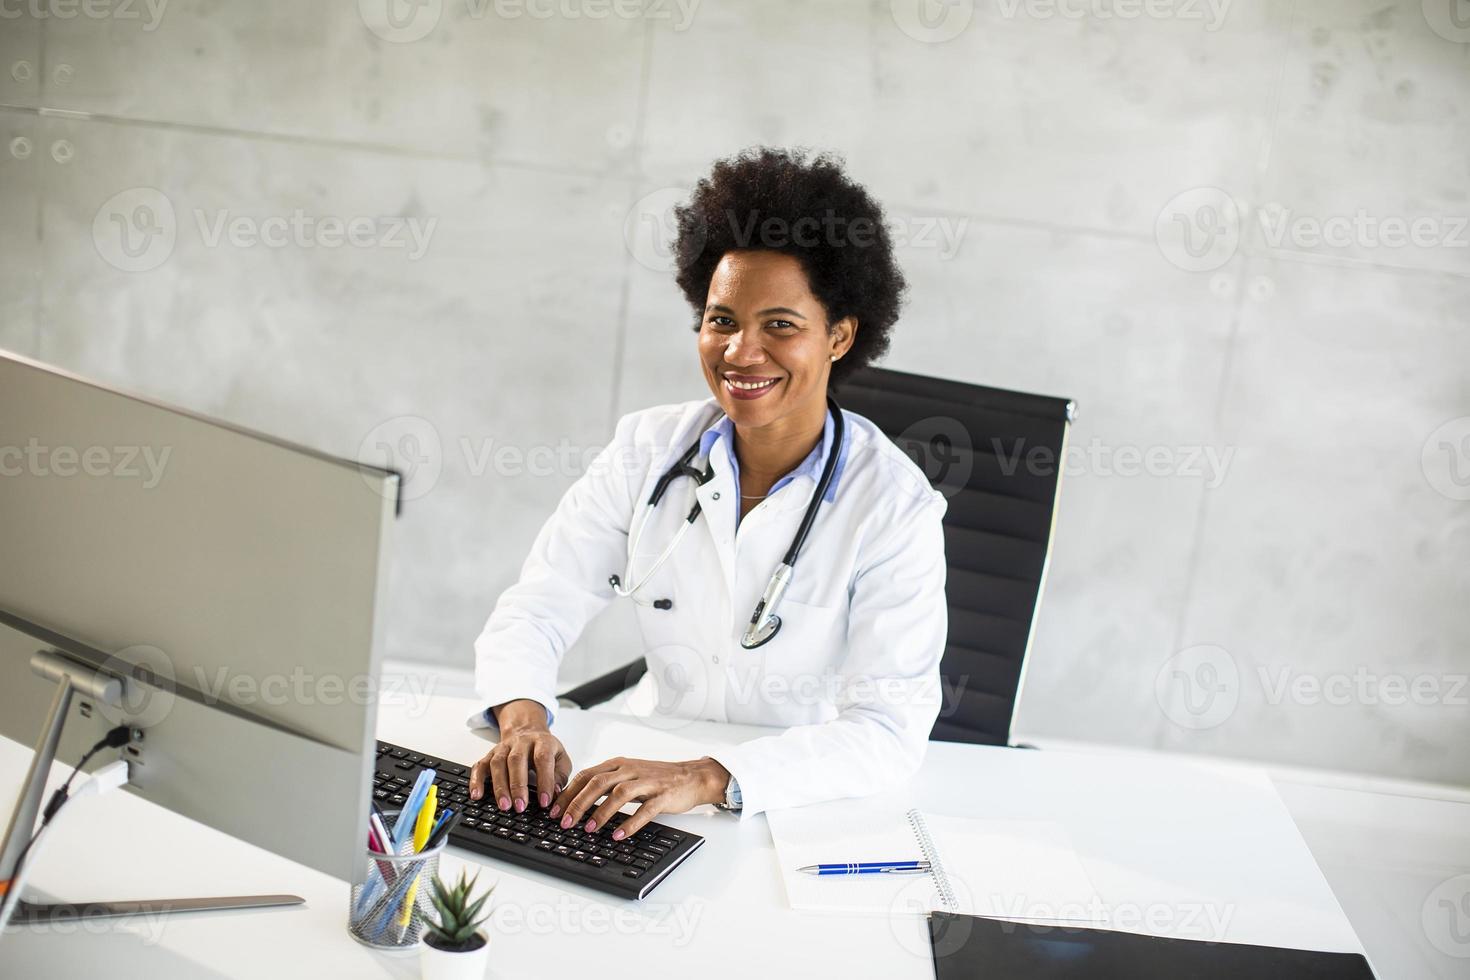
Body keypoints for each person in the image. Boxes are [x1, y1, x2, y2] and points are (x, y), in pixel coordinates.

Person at [467, 146, 948, 842]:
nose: (740, 353)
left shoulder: (894, 509)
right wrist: (523, 721)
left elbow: (887, 733)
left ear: (839, 336)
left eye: (780, 325)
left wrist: (710, 776)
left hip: (795, 802)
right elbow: (540, 605)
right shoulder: (647, 452)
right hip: (643, 781)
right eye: (722, 320)